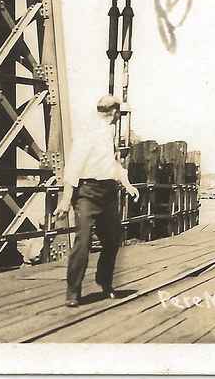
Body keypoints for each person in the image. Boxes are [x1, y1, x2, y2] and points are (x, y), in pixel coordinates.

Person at [54, 94, 140, 308]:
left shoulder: (108, 132)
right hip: (87, 191)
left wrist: (127, 184)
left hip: (107, 191)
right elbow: (74, 164)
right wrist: (66, 198)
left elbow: (111, 164)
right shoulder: (89, 131)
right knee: (83, 240)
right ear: (115, 113)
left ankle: (105, 282)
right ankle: (72, 292)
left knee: (112, 238)